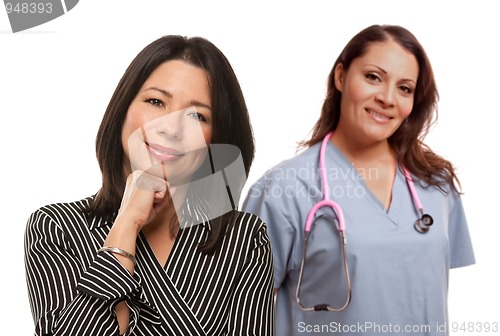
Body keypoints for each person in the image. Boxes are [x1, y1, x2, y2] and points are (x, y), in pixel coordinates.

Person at [25, 35, 274, 336]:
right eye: (156, 101)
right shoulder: (56, 228)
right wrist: (127, 224)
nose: (170, 127)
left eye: (197, 115)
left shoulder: (244, 240)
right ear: (123, 111)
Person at [243, 24, 474, 336]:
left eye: (404, 88)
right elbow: (240, 312)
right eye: (373, 77)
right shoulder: (282, 189)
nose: (387, 98)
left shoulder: (436, 184)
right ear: (341, 76)